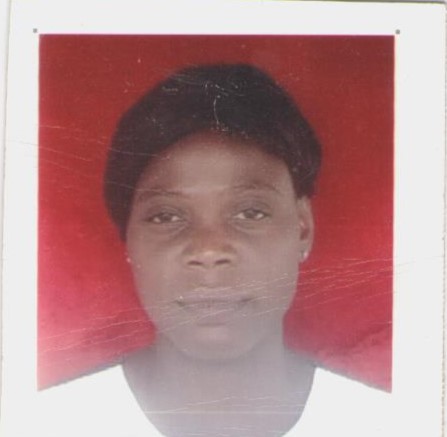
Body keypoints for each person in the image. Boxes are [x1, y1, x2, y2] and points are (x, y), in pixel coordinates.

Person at [36, 64, 392, 437]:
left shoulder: (389, 424)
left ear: (303, 228)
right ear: (128, 239)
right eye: (166, 216)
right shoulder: (45, 424)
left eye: (250, 213)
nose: (209, 250)